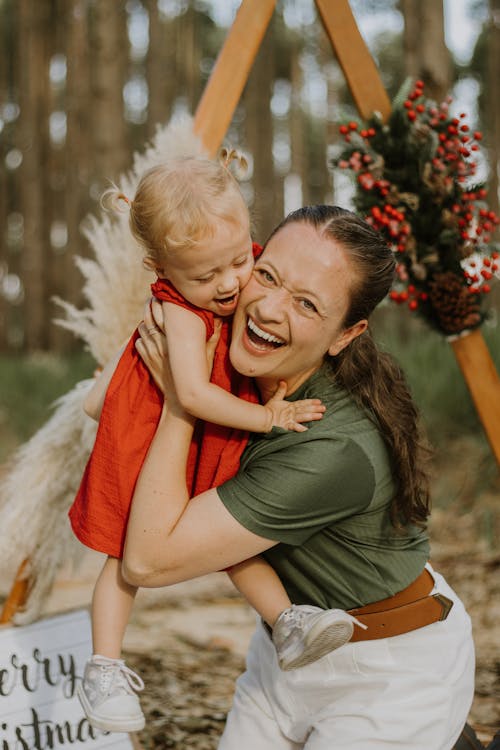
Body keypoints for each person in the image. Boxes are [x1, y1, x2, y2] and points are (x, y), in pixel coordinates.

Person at [123, 204, 475, 750]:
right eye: (267, 275)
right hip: (288, 645)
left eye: (307, 304)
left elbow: (147, 559)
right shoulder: (231, 371)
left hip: (387, 670)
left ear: (345, 334)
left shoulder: (328, 446)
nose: (268, 308)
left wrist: (179, 402)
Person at [70, 160, 360, 734]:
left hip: (200, 434)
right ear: (161, 270)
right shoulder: (179, 312)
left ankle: (288, 621)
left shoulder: (232, 266)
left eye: (239, 262)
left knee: (225, 533)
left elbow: (100, 394)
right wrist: (267, 417)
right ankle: (103, 664)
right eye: (209, 276)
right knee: (123, 557)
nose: (230, 284)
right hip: (156, 435)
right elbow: (195, 394)